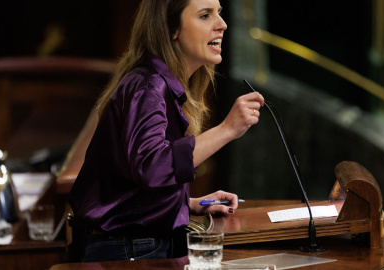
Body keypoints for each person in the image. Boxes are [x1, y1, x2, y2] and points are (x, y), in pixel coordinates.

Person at [68, 0, 264, 262]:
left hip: (131, 244)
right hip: (124, 250)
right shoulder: (147, 87)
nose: (222, 25)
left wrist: (189, 204)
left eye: (219, 13)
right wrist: (227, 129)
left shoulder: (156, 83)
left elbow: (132, 184)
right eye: (205, 15)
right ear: (171, 29)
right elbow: (152, 166)